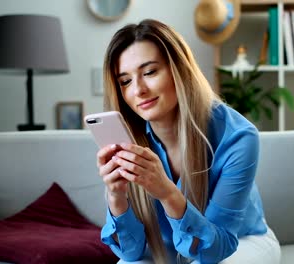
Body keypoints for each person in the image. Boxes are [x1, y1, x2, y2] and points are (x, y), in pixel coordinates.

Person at [97, 19, 280, 264]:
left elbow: (216, 250)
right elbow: (130, 253)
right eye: (125, 81)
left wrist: (167, 193)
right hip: (168, 248)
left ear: (179, 69)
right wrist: (116, 197)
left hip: (240, 242)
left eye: (150, 72)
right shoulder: (129, 136)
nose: (138, 90)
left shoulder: (236, 137)